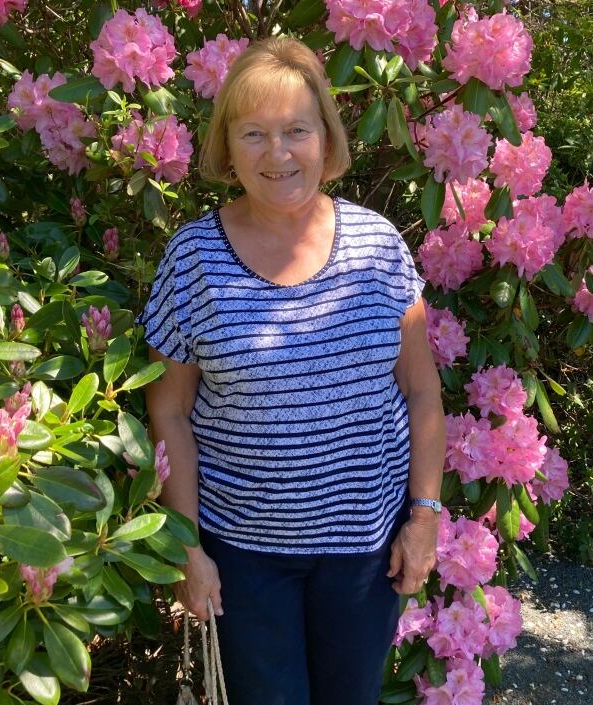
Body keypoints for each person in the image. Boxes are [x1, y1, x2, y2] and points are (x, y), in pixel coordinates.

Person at [140, 36, 445, 705]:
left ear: (325, 138)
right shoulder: (192, 258)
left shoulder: (379, 246)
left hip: (366, 549)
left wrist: (424, 515)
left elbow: (422, 391)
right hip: (243, 555)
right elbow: (168, 411)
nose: (277, 154)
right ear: (227, 145)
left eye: (295, 130)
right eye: (254, 133)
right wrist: (185, 545)